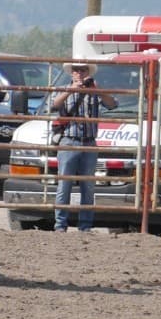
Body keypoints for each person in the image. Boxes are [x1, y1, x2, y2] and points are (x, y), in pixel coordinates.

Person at [51, 60, 117, 232]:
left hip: (89, 141)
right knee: (64, 185)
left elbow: (112, 104)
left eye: (83, 70)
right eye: (76, 70)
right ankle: (60, 225)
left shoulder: (94, 91)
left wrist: (98, 90)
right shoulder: (64, 89)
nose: (79, 73)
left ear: (88, 72)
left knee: (88, 186)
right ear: (71, 73)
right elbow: (54, 105)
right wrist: (70, 91)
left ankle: (85, 226)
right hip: (69, 139)